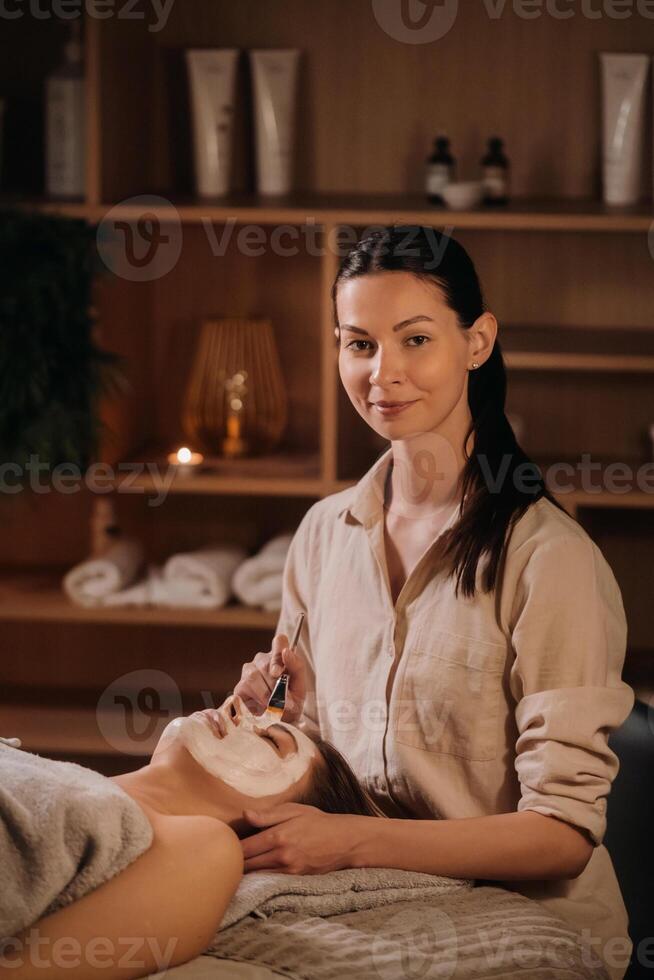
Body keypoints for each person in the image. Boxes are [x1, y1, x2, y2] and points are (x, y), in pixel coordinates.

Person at [234, 225, 636, 980]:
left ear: (477, 341)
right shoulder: (326, 533)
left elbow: (562, 834)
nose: (382, 374)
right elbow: (321, 762)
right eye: (359, 344)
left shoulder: (550, 560)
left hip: (527, 918)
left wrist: (347, 842)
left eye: (415, 339)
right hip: (371, 900)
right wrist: (276, 725)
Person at [1, 694, 377, 980]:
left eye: (270, 741)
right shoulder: (38, 766)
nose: (236, 707)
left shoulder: (206, 848)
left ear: (284, 824)